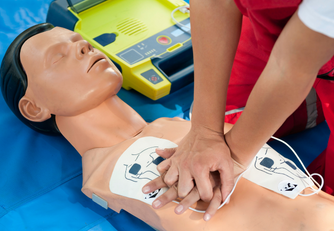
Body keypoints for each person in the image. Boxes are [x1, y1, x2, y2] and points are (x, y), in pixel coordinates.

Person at [1, 23, 334, 230]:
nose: (84, 46)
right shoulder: (106, 174)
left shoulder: (183, 123)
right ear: (34, 108)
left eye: (79, 41)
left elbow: (295, 65)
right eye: (59, 57)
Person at [147, 0, 334, 218]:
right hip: (296, 24)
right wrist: (205, 131)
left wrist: (235, 158)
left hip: (310, 38)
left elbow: (290, 67)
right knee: (229, 122)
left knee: (321, 204)